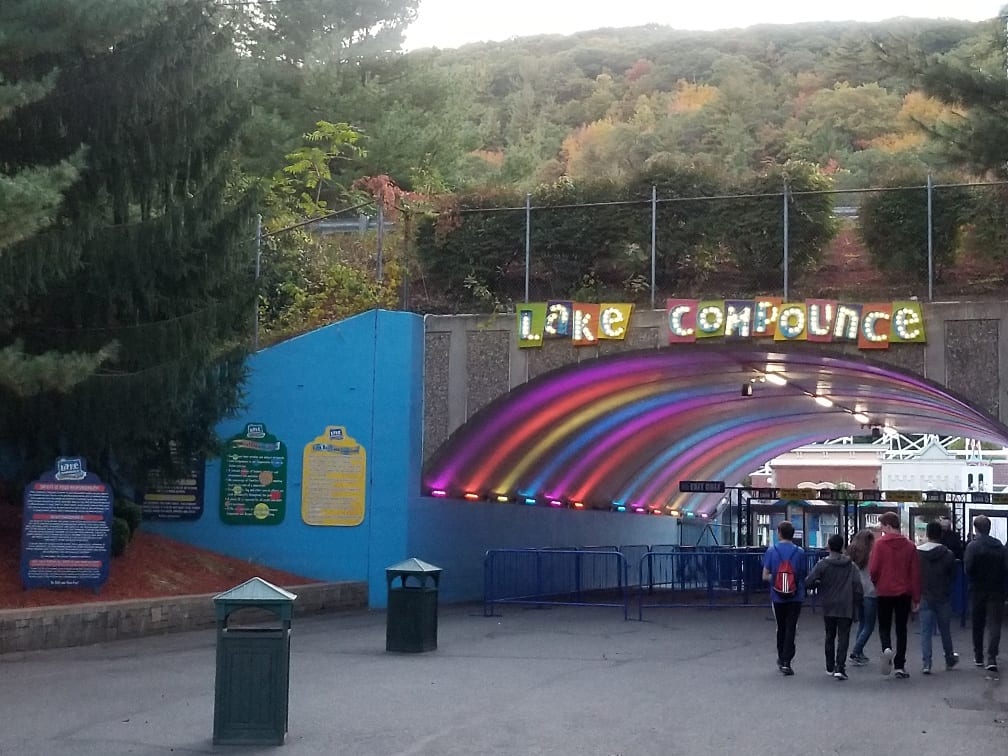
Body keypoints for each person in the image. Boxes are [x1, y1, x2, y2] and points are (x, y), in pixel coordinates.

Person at [869, 511, 920, 678]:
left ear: (889, 526)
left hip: (884, 590)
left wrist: (876, 582)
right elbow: (915, 573)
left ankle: (886, 648)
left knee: (884, 625)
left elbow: (873, 569)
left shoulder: (879, 545)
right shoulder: (910, 546)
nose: (882, 529)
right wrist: (916, 598)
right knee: (901, 629)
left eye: (883, 526)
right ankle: (899, 665)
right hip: (904, 593)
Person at [806, 533, 862, 680]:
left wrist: (818, 583)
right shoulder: (851, 566)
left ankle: (829, 666)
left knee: (830, 635)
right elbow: (858, 586)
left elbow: (808, 581)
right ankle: (840, 667)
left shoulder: (822, 564)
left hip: (828, 604)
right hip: (846, 605)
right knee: (843, 636)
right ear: (843, 547)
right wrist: (858, 604)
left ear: (829, 546)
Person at [963, 514, 1008, 674]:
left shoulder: (972, 547)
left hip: (977, 589)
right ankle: (992, 658)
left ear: (976, 529)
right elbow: (1006, 568)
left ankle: (979, 656)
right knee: (994, 624)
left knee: (978, 623)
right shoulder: (1000, 547)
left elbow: (968, 569)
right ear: (989, 528)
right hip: (996, 590)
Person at [762, 520, 806, 676]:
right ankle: (787, 660)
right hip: (796, 595)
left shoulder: (771, 551)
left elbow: (765, 576)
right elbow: (802, 574)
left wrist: (778, 579)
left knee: (780, 626)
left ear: (779, 533)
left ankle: (781, 657)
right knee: (791, 626)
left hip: (777, 595)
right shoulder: (800, 552)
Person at [917, 520, 960, 674]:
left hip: (925, 595)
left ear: (927, 534)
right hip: (943, 595)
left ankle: (926, 663)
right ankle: (949, 659)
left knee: (925, 632)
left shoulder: (917, 553)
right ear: (941, 534)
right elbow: (953, 576)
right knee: (945, 630)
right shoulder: (948, 554)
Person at [846, 528, 877, 666]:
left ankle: (859, 652)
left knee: (862, 623)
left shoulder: (852, 554)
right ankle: (856, 651)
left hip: (857, 592)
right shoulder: (872, 555)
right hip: (871, 592)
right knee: (869, 625)